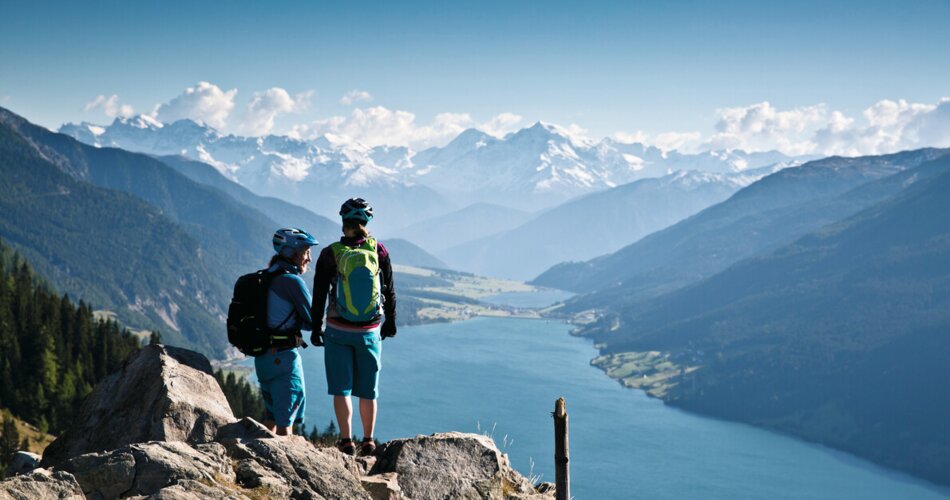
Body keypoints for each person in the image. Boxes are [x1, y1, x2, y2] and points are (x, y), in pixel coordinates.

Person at [311, 198, 397, 456]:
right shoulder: (378, 251)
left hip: (338, 330)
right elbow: (388, 290)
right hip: (370, 331)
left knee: (342, 388)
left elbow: (318, 295)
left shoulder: (331, 253)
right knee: (368, 391)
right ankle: (369, 440)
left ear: (343, 222)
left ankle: (347, 441)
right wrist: (390, 322)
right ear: (367, 222)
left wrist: (316, 328)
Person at [256, 227, 319, 436]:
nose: (309, 258)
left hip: (263, 358)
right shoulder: (292, 281)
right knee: (285, 425)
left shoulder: (266, 276)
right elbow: (313, 321)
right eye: (306, 251)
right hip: (283, 359)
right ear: (291, 252)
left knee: (270, 417)